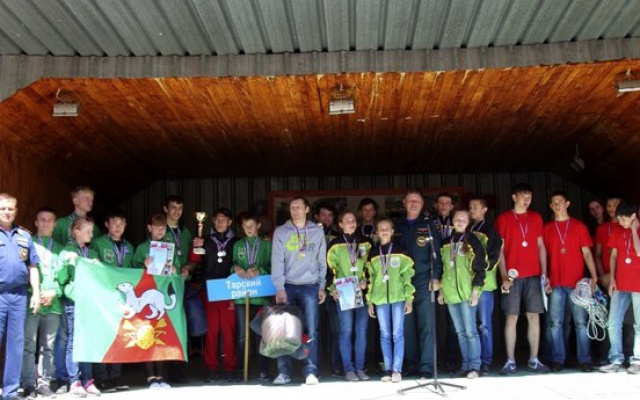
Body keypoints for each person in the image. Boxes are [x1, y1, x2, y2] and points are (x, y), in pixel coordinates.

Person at [271, 196, 327, 385]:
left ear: (307, 210)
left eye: (298, 207)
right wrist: (279, 287)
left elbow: (321, 260)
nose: (295, 210)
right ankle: (284, 372)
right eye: (292, 207)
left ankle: (311, 371)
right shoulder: (281, 232)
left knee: (311, 330)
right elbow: (277, 261)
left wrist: (322, 286)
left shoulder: (317, 231)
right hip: (288, 286)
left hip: (310, 285)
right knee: (284, 330)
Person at [496, 183, 550, 375]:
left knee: (534, 316)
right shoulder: (503, 218)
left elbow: (541, 246)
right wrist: (504, 275)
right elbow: (500, 250)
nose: (527, 200)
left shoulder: (536, 218)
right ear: (514, 197)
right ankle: (510, 361)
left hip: (534, 275)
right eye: (523, 196)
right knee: (511, 317)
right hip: (512, 277)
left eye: (529, 197)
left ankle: (534, 359)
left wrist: (544, 273)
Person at [51, 187, 101, 394]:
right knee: (72, 340)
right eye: (88, 232)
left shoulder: (94, 251)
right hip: (72, 301)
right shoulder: (67, 250)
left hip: (90, 301)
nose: (92, 235)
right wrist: (66, 263)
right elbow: (62, 278)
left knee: (88, 339)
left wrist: (98, 267)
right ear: (76, 232)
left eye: (92, 232)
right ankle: (73, 380)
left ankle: (88, 379)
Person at [543, 192, 598, 373]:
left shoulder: (579, 226)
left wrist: (594, 276)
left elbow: (587, 253)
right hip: (556, 282)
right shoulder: (547, 228)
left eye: (560, 202)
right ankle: (558, 359)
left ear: (567, 204)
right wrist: (544, 276)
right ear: (551, 206)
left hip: (577, 284)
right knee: (556, 323)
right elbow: (542, 254)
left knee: (581, 323)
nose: (557, 205)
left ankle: (585, 359)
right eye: (554, 203)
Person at [392, 190, 442, 379]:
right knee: (406, 326)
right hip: (402, 282)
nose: (413, 204)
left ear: (422, 204)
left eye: (417, 201)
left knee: (427, 326)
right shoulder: (397, 226)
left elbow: (437, 253)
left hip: (424, 280)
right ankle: (411, 365)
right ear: (404, 203)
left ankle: (427, 367)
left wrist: (436, 277)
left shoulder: (428, 226)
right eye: (410, 200)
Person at [132, 213, 185, 389]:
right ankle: (150, 377)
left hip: (162, 297)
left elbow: (178, 272)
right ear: (150, 228)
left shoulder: (170, 248)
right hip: (146, 297)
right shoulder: (141, 248)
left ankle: (161, 375)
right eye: (156, 227)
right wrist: (144, 265)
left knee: (162, 335)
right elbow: (131, 272)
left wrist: (175, 270)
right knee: (146, 334)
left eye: (163, 228)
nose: (160, 230)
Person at [191, 208, 239, 383]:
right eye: (217, 219)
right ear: (212, 221)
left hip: (229, 290)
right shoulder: (204, 240)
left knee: (229, 331)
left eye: (224, 219)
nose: (220, 222)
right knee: (211, 332)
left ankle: (230, 368)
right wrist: (195, 247)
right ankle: (211, 368)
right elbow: (194, 261)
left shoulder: (237, 242)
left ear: (230, 222)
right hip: (209, 290)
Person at [0, 193, 41, 400]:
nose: (7, 212)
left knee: (16, 344)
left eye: (10, 208)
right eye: (3, 208)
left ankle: (10, 391)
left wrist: (36, 292)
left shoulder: (25, 236)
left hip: (19, 295)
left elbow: (33, 266)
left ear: (16, 211)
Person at [438, 210, 487, 379]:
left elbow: (480, 267)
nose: (459, 221)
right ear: (452, 221)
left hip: (467, 294)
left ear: (468, 222)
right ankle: (465, 365)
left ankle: (475, 366)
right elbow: (443, 269)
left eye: (463, 219)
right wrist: (441, 291)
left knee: (470, 330)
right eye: (457, 219)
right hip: (450, 294)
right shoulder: (445, 243)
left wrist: (476, 291)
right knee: (460, 332)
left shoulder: (473, 241)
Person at [21, 207, 63, 399]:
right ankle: (28, 384)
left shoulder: (61, 249)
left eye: (50, 219)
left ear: (55, 224)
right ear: (36, 222)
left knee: (48, 346)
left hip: (54, 305)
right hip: (32, 303)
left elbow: (67, 278)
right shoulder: (27, 245)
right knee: (28, 344)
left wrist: (55, 292)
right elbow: (21, 273)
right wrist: (34, 293)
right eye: (42, 219)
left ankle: (45, 383)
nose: (46, 223)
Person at [366, 218, 415, 383]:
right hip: (379, 299)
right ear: (377, 233)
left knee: (397, 333)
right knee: (385, 334)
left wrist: (409, 299)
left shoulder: (401, 251)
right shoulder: (373, 254)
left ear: (393, 231)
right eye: (381, 229)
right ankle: (387, 369)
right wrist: (369, 301)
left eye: (387, 228)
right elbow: (370, 278)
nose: (384, 231)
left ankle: (396, 369)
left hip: (398, 298)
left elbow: (407, 276)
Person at [91, 210, 134, 392]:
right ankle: (101, 378)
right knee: (103, 337)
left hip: (122, 299)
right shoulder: (98, 243)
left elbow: (134, 271)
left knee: (119, 336)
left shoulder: (129, 247)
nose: (118, 226)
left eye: (121, 223)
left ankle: (115, 377)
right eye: (114, 222)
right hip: (104, 296)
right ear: (107, 224)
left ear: (125, 226)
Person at [327, 210, 372, 381]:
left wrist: (366, 281)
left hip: (361, 292)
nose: (351, 223)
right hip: (344, 292)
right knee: (346, 331)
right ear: (340, 224)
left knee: (361, 331)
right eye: (347, 220)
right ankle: (348, 369)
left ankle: (360, 368)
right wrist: (332, 288)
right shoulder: (335, 245)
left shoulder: (366, 242)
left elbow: (372, 266)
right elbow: (330, 270)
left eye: (353, 220)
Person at [600, 202, 640, 374]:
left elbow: (639, 252)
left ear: (633, 217)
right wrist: (612, 279)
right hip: (621, 283)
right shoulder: (617, 231)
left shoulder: (637, 230)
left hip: (638, 284)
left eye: (624, 219)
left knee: (639, 324)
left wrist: (634, 230)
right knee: (613, 322)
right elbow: (613, 256)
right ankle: (616, 359)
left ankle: (637, 361)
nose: (621, 222)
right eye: (619, 219)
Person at [231, 214, 271, 381]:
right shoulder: (238, 245)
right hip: (242, 296)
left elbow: (273, 267)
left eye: (251, 225)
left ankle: (264, 370)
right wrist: (236, 268)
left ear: (258, 226)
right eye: (245, 226)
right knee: (242, 335)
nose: (248, 228)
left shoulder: (267, 245)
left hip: (261, 296)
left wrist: (259, 270)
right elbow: (232, 264)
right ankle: (241, 369)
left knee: (263, 334)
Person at [468, 196, 502, 375]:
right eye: (470, 207)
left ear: (484, 210)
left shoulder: (490, 230)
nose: (471, 210)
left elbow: (493, 257)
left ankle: (485, 361)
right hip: (468, 285)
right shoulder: (467, 228)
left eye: (475, 207)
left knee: (484, 325)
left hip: (485, 285)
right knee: (470, 326)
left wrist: (479, 270)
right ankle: (473, 360)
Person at [314, 201, 342, 377]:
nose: (326, 218)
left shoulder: (339, 237)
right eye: (323, 215)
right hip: (313, 286)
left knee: (336, 329)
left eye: (330, 215)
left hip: (334, 287)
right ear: (316, 216)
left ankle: (336, 365)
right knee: (313, 329)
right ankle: (313, 367)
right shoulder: (308, 235)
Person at [595, 196, 622, 291]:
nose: (611, 208)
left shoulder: (626, 227)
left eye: (615, 205)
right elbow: (597, 255)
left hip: (623, 274)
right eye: (609, 205)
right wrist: (603, 276)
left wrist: (611, 275)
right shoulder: (601, 228)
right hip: (606, 277)